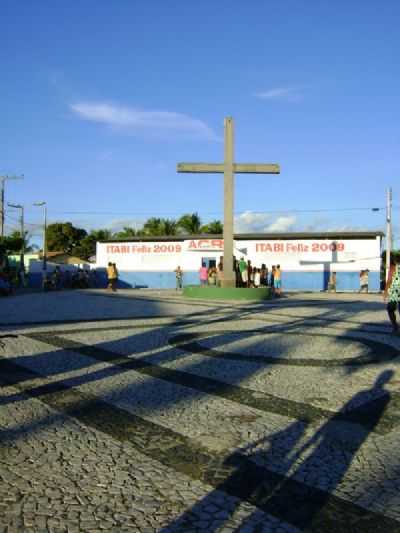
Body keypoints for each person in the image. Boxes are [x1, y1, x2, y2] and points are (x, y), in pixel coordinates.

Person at [384, 257, 400, 333]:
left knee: (390, 309)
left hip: (395, 291)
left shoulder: (393, 268)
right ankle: (395, 327)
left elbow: (389, 280)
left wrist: (385, 292)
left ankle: (395, 327)